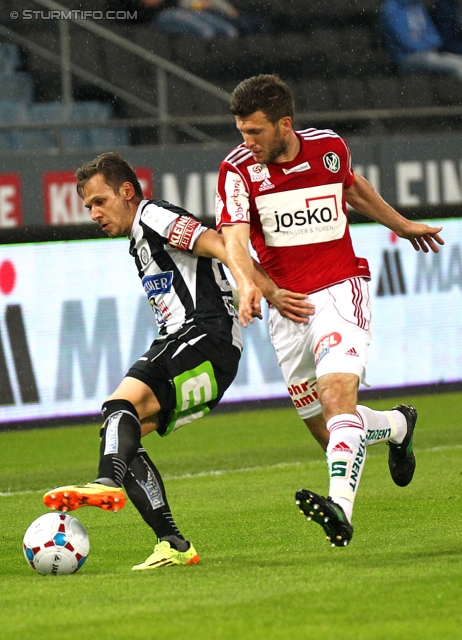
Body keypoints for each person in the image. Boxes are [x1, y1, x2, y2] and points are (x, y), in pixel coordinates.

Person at [42, 151, 312, 570]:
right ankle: (173, 543)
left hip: (204, 335)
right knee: (120, 433)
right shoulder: (139, 237)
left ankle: (106, 483)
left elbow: (222, 244)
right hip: (210, 354)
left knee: (118, 409)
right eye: (88, 206)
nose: (94, 212)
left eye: (99, 201)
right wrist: (265, 291)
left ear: (127, 192)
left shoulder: (154, 217)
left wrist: (259, 288)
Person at [216, 74, 445, 547]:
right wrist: (252, 286)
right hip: (286, 307)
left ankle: (339, 510)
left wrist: (400, 224)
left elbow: (351, 187)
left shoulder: (328, 148)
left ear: (284, 124)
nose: (247, 142)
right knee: (331, 434)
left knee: (338, 395)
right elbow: (234, 239)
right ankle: (398, 425)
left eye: (255, 132)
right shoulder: (237, 171)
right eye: (241, 132)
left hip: (341, 287)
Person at [379, 0, 462, 79]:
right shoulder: (391, 8)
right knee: (457, 69)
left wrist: (419, 37)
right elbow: (405, 41)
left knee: (458, 61)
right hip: (406, 58)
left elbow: (436, 39)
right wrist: (427, 44)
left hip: (430, 54)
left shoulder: (418, 5)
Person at [107, 0, 239, 38]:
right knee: (205, 31)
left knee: (229, 30)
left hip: (177, 10)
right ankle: (207, 40)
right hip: (157, 17)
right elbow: (123, 12)